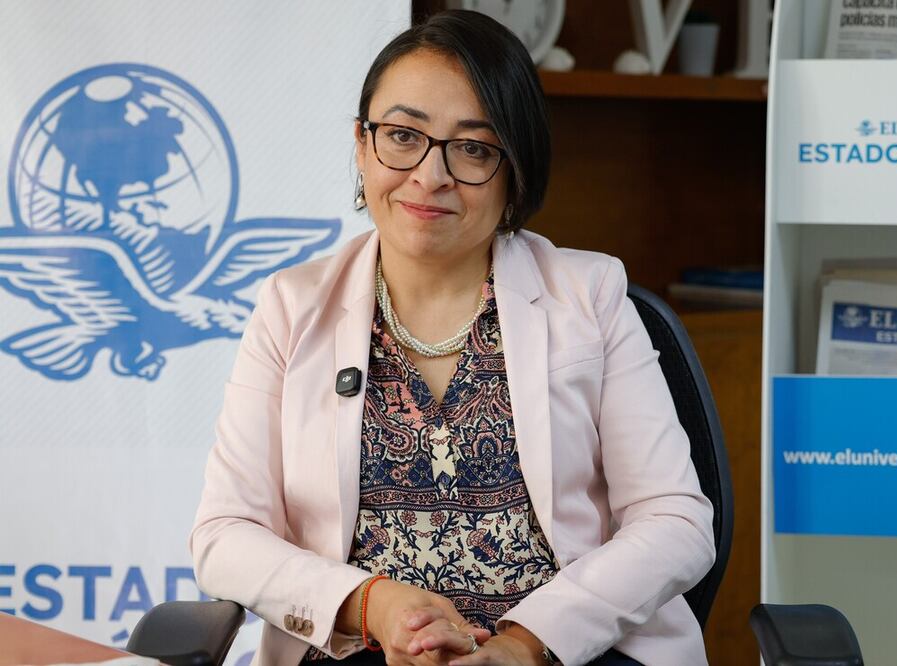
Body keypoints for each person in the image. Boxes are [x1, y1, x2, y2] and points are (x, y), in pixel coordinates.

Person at [190, 10, 714, 666]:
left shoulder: (591, 294)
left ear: (514, 170)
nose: (429, 175)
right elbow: (224, 535)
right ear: (361, 144)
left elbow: (676, 522)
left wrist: (525, 645)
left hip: (563, 652)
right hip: (365, 652)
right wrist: (372, 603)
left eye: (472, 148)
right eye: (402, 136)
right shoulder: (291, 307)